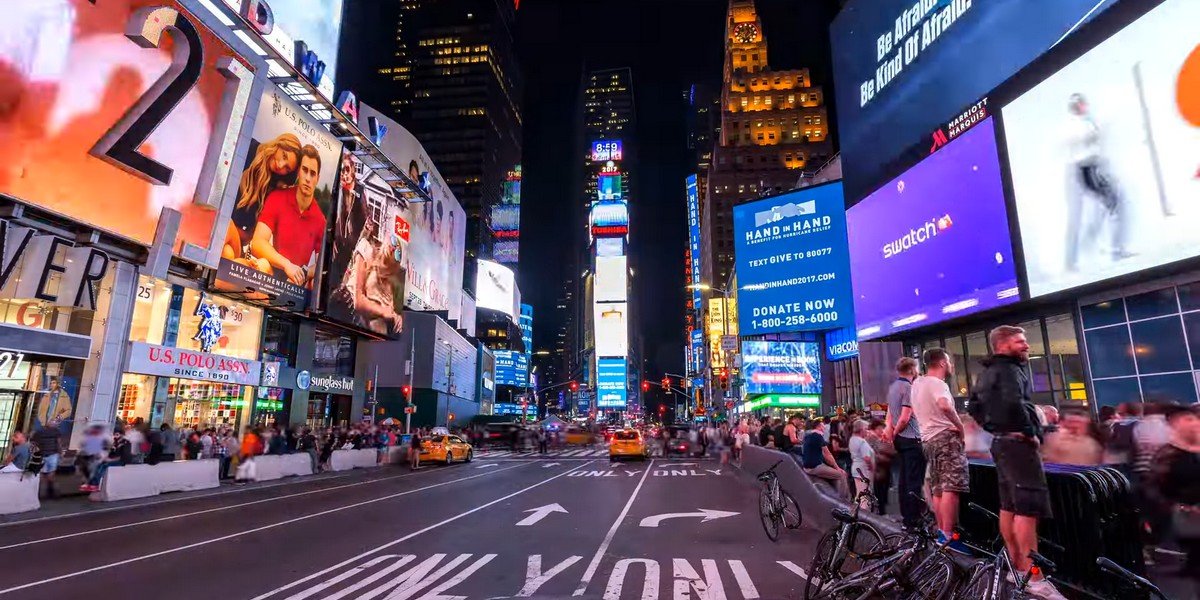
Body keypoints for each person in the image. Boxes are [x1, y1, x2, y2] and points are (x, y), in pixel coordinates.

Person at [969, 325, 1064, 600]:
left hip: (1001, 444)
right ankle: (1034, 577)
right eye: (1020, 341)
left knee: (1009, 506)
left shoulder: (986, 373)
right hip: (1018, 446)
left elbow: (974, 407)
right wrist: (1028, 432)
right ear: (1003, 345)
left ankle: (1016, 568)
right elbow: (1014, 402)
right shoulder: (1010, 370)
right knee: (1027, 509)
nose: (1026, 345)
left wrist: (993, 428)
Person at [911, 347, 970, 554]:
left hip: (928, 440)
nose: (952, 366)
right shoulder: (938, 384)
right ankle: (948, 536)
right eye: (950, 362)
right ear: (943, 363)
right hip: (945, 438)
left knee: (938, 487)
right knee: (951, 487)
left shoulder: (917, 384)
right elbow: (944, 405)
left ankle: (941, 533)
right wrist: (959, 426)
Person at [249, 145, 327, 288]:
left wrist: (303, 273)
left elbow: (322, 265)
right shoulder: (278, 198)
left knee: (314, 283)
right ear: (298, 172)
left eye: (312, 173)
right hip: (272, 272)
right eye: (304, 170)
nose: (308, 178)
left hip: (296, 283)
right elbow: (257, 242)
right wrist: (287, 265)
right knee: (262, 264)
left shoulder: (320, 220)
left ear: (317, 178)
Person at [224, 132, 302, 272]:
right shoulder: (248, 149)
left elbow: (250, 237)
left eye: (287, 168)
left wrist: (233, 230)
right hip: (220, 235)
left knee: (225, 225)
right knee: (227, 253)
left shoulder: (272, 190)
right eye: (284, 156)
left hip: (233, 239)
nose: (280, 165)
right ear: (278, 145)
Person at [1146, 405, 1199, 586]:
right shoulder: (1168, 453)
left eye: (1191, 419)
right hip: (1186, 513)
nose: (1191, 424)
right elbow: (1157, 483)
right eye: (1183, 421)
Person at [885, 357, 926, 529]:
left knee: (903, 478)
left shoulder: (893, 387)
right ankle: (913, 519)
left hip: (900, 440)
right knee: (914, 480)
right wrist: (896, 431)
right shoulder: (909, 388)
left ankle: (905, 517)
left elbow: (889, 415)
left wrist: (890, 432)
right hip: (911, 438)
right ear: (912, 369)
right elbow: (905, 417)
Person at [800, 419, 848, 499]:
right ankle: (843, 501)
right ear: (818, 427)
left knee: (834, 475)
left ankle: (835, 497)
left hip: (807, 466)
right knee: (842, 475)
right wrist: (837, 468)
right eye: (822, 426)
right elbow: (827, 454)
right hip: (815, 467)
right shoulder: (818, 436)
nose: (824, 428)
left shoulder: (808, 436)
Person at [867, 420, 896, 516]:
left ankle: (881, 510)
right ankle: (880, 512)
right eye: (880, 428)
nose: (882, 430)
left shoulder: (881, 438)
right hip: (877, 470)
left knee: (882, 491)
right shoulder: (871, 438)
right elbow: (872, 454)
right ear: (875, 429)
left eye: (882, 428)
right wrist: (884, 456)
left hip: (883, 469)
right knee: (878, 491)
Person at [30, 420, 62, 498]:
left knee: (41, 476)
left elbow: (33, 443)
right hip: (52, 455)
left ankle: (37, 493)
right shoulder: (56, 432)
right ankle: (50, 492)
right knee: (50, 475)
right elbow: (59, 443)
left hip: (43, 455)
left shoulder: (38, 432)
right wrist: (60, 453)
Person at [848, 419, 875, 508]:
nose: (867, 431)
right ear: (861, 429)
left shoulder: (853, 439)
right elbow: (866, 458)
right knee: (864, 495)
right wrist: (871, 466)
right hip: (863, 469)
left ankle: (855, 511)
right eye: (866, 429)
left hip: (856, 468)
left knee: (859, 493)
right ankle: (863, 513)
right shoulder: (862, 442)